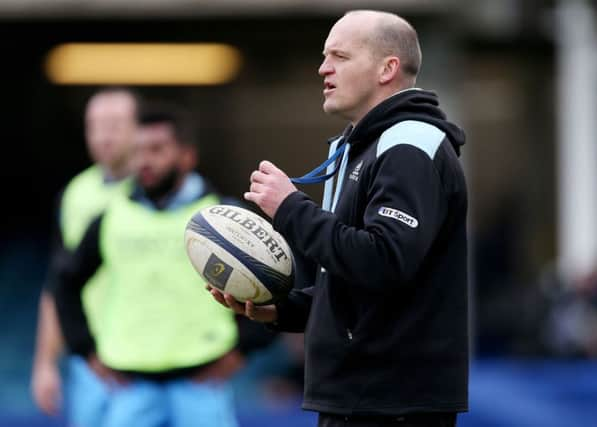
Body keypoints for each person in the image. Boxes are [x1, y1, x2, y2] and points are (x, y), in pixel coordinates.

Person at [210, 10, 469, 427]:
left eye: (340, 56)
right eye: (324, 56)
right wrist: (282, 310)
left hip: (393, 400)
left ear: (388, 68)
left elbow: (384, 260)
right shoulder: (363, 146)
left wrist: (290, 207)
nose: (323, 68)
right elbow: (353, 281)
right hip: (360, 395)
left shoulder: (409, 147)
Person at [54, 103, 243, 427]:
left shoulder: (223, 218)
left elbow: (268, 284)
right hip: (131, 388)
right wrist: (87, 352)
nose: (145, 161)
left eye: (157, 150)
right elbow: (65, 282)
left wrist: (244, 351)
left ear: (187, 156)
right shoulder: (111, 218)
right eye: (139, 151)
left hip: (203, 384)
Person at [31, 87, 139, 424]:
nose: (104, 135)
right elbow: (58, 282)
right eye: (95, 125)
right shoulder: (74, 194)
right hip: (91, 358)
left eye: (115, 124)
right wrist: (45, 363)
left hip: (151, 354)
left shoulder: (163, 190)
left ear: (139, 127)